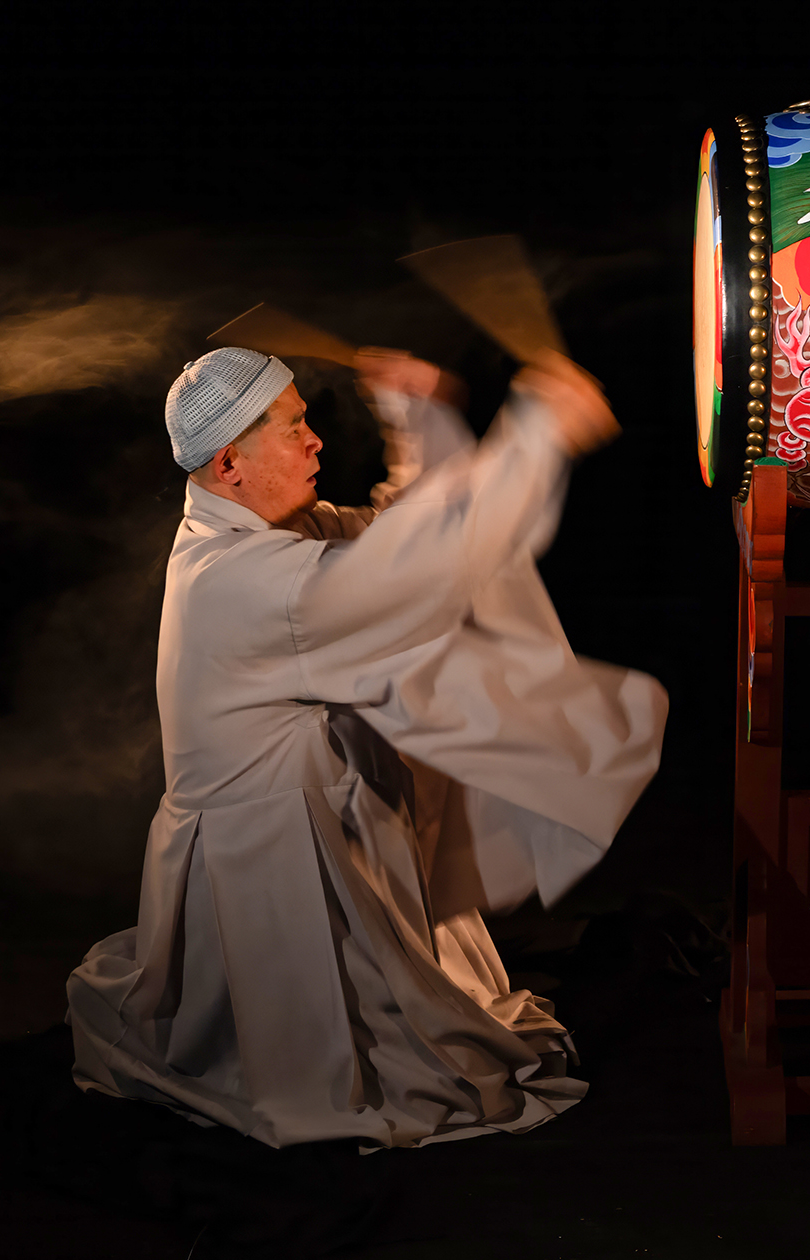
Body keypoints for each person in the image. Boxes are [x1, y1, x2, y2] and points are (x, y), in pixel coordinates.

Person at [65, 344, 666, 1152]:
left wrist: (415, 421)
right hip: (273, 866)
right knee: (388, 1068)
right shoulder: (243, 579)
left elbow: (394, 537)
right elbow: (419, 570)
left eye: (306, 419)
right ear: (230, 463)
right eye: (293, 428)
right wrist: (538, 434)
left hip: (318, 825)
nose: (315, 440)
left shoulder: (256, 533)